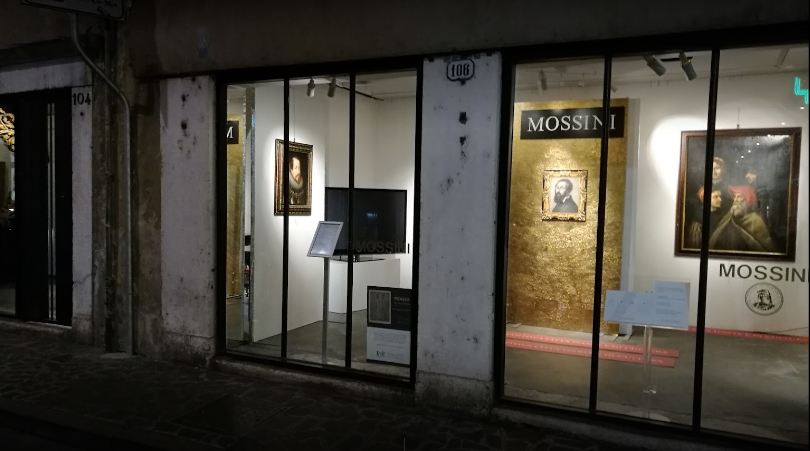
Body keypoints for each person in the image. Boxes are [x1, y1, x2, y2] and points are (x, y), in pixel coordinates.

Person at [709, 185, 774, 252]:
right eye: (734, 196)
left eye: (739, 197)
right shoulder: (728, 217)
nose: (735, 200)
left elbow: (765, 249)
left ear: (748, 201)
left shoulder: (755, 221)